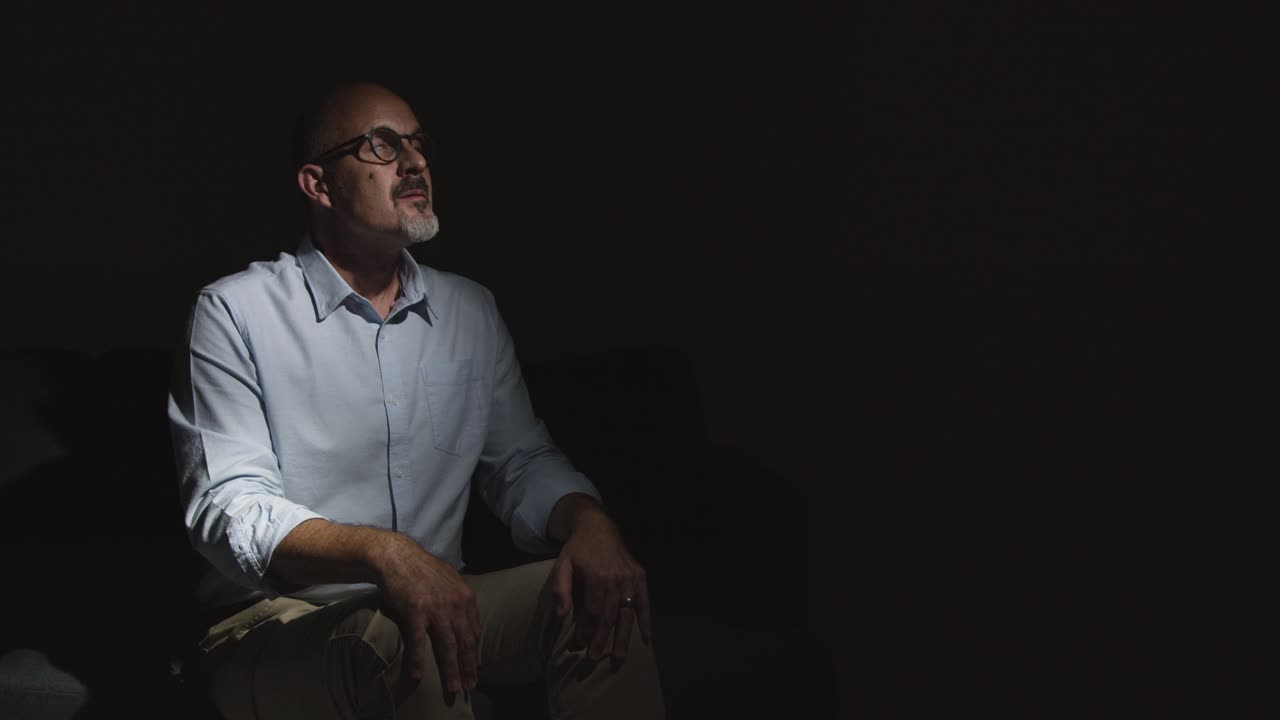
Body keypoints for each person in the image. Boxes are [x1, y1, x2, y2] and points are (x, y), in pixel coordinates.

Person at [167, 81, 665, 719]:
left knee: (602, 600)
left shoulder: (469, 309)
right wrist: (386, 555)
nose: (414, 161)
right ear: (319, 185)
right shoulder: (235, 311)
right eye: (380, 146)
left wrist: (590, 524)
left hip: (439, 604)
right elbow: (228, 507)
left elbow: (520, 461)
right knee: (407, 640)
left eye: (418, 144)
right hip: (277, 624)